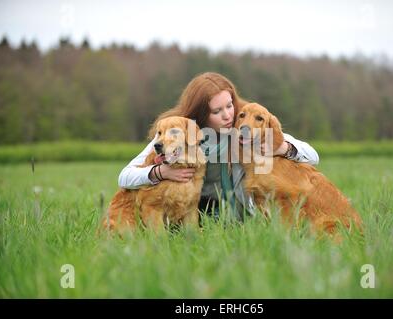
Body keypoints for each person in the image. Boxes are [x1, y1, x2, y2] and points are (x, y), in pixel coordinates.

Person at [118, 72, 319, 221]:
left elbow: (312, 156)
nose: (227, 115)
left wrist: (283, 148)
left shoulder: (245, 125)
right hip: (189, 219)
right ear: (202, 113)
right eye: (217, 111)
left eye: (229, 105)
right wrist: (159, 172)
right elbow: (125, 176)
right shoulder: (178, 131)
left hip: (237, 220)